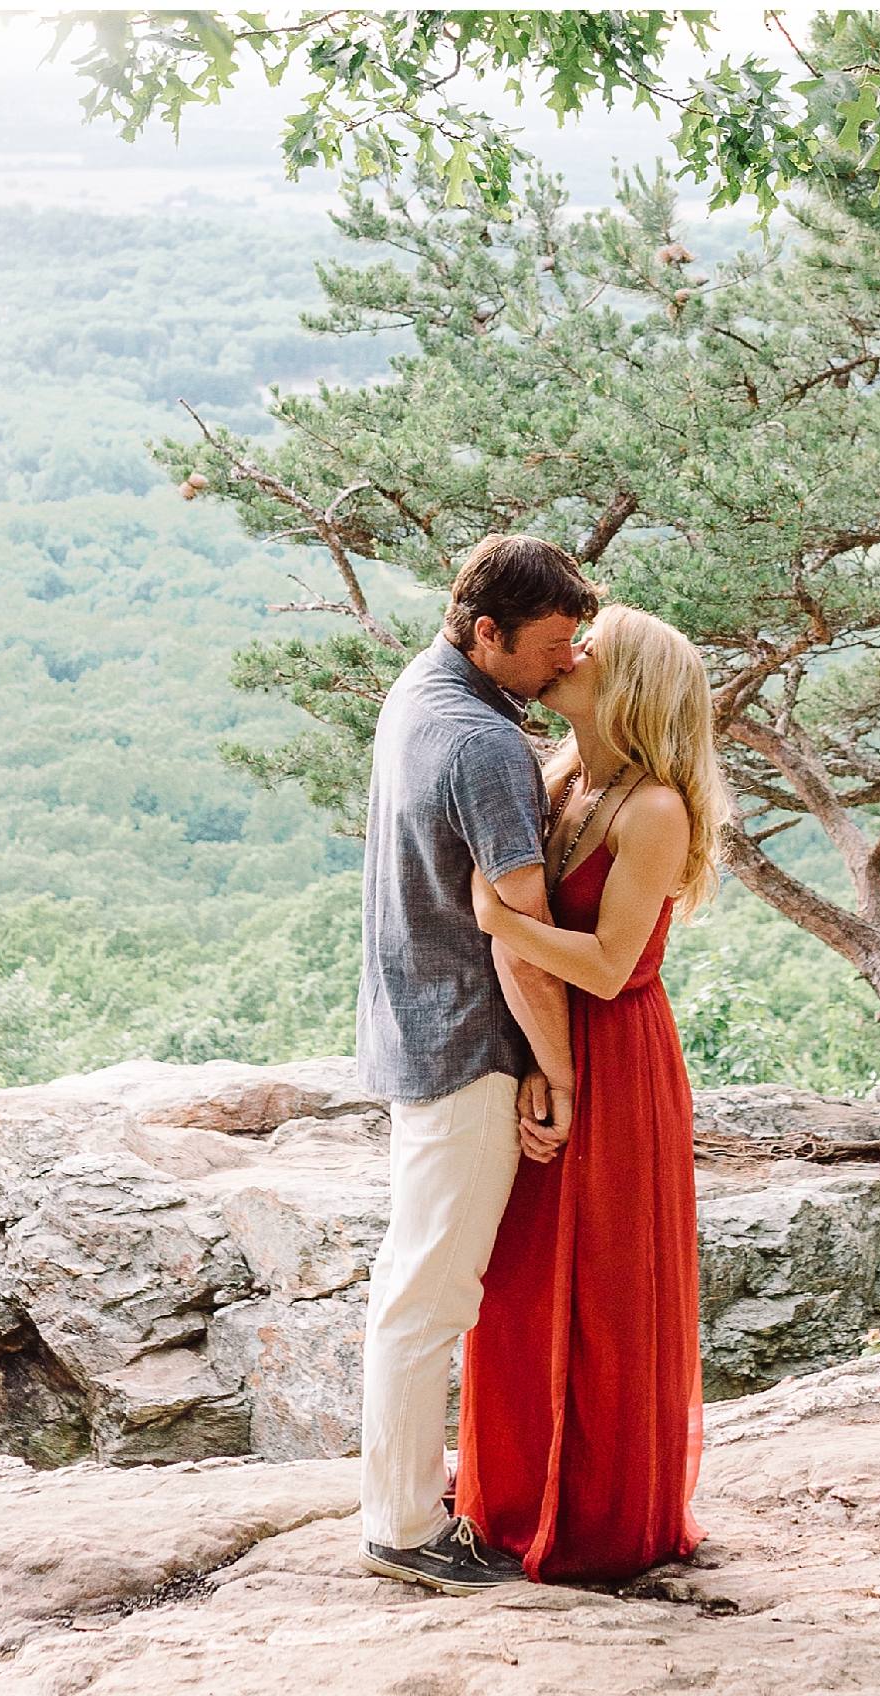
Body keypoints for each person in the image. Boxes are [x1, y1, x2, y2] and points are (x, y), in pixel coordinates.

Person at [457, 604, 726, 1583]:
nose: (568, 654)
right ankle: (519, 1491)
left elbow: (613, 965)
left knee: (605, 1293)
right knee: (525, 1281)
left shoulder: (654, 807)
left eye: (591, 649)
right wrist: (537, 1046)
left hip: (617, 1056)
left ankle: (600, 1514)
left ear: (631, 687)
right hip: (558, 1046)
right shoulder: (564, 775)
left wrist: (498, 917)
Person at [355, 533, 602, 1596]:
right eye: (551, 645)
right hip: (467, 1041)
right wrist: (556, 1067)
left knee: (413, 1279)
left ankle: (406, 1505)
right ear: (487, 631)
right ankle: (408, 1526)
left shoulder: (418, 692)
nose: (567, 663)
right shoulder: (487, 746)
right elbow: (518, 930)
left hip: (412, 1022)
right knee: (430, 1291)